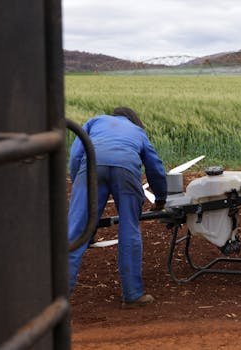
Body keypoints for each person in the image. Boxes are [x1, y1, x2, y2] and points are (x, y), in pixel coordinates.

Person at [68, 106, 167, 309]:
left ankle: (58, 297)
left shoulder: (95, 121)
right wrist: (161, 198)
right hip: (126, 170)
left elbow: (76, 154)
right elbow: (155, 167)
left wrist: (80, 179)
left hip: (92, 166)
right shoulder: (138, 132)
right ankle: (132, 295)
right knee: (129, 229)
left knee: (76, 232)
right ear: (134, 119)